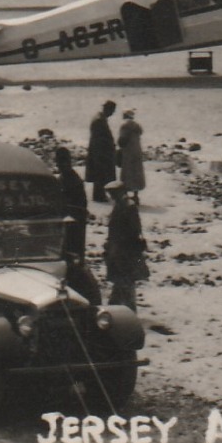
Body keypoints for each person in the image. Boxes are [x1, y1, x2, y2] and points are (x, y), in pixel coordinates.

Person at [102, 183, 149, 311]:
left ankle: (125, 308)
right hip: (118, 250)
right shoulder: (121, 205)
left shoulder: (128, 207)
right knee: (121, 281)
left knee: (125, 281)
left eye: (112, 193)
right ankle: (118, 306)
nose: (111, 196)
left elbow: (134, 229)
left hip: (125, 250)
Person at [53, 146, 89, 259]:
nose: (58, 165)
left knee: (73, 254)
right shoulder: (64, 178)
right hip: (68, 222)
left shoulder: (73, 180)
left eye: (60, 162)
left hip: (73, 223)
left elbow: (80, 205)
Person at [85, 100, 117, 201]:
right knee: (101, 173)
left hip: (98, 151)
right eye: (112, 111)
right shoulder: (100, 120)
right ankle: (99, 196)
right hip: (100, 151)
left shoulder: (100, 118)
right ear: (108, 109)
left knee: (100, 173)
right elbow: (100, 139)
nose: (112, 113)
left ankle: (99, 195)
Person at [118, 108, 146, 195]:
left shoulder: (124, 126)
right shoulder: (137, 126)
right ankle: (136, 195)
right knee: (136, 173)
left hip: (128, 152)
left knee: (127, 172)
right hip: (137, 150)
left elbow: (122, 140)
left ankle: (125, 193)